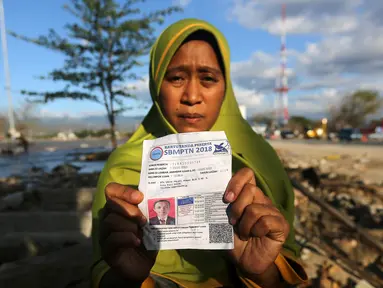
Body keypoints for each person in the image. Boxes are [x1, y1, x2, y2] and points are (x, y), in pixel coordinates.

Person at [91, 18, 308, 288]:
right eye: (176, 78)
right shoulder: (122, 170)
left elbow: (282, 278)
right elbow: (101, 270)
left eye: (208, 78)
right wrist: (126, 276)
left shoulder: (259, 160)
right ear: (157, 86)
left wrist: (260, 270)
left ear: (225, 89)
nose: (192, 96)